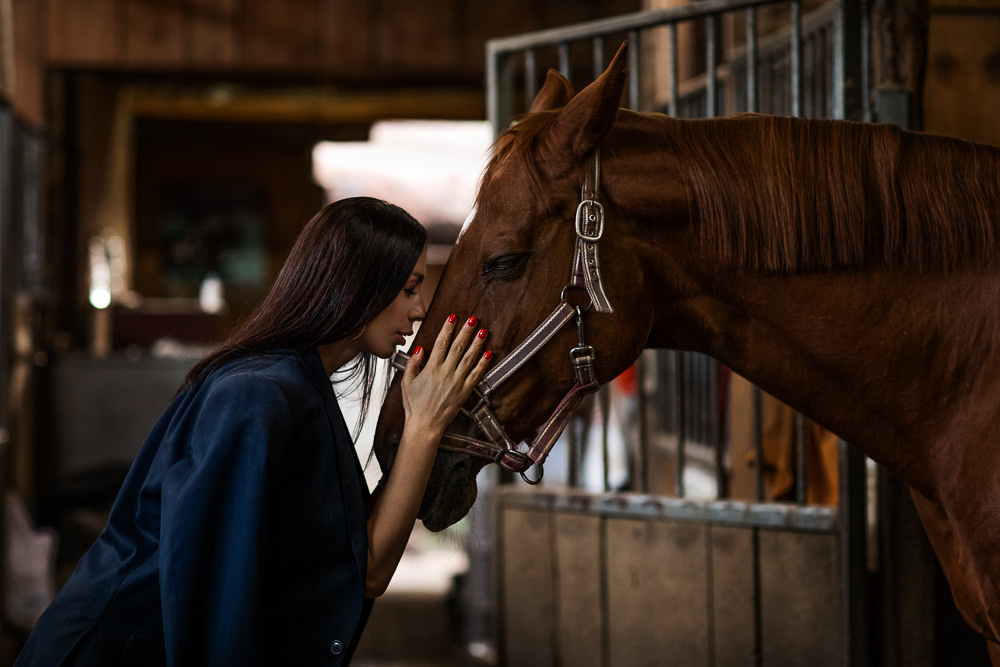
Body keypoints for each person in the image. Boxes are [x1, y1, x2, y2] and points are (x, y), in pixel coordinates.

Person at [15, 197, 491, 666]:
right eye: (409, 288)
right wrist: (423, 426)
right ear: (359, 286)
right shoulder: (256, 396)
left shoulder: (301, 387)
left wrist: (424, 426)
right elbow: (213, 587)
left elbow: (364, 569)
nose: (419, 310)